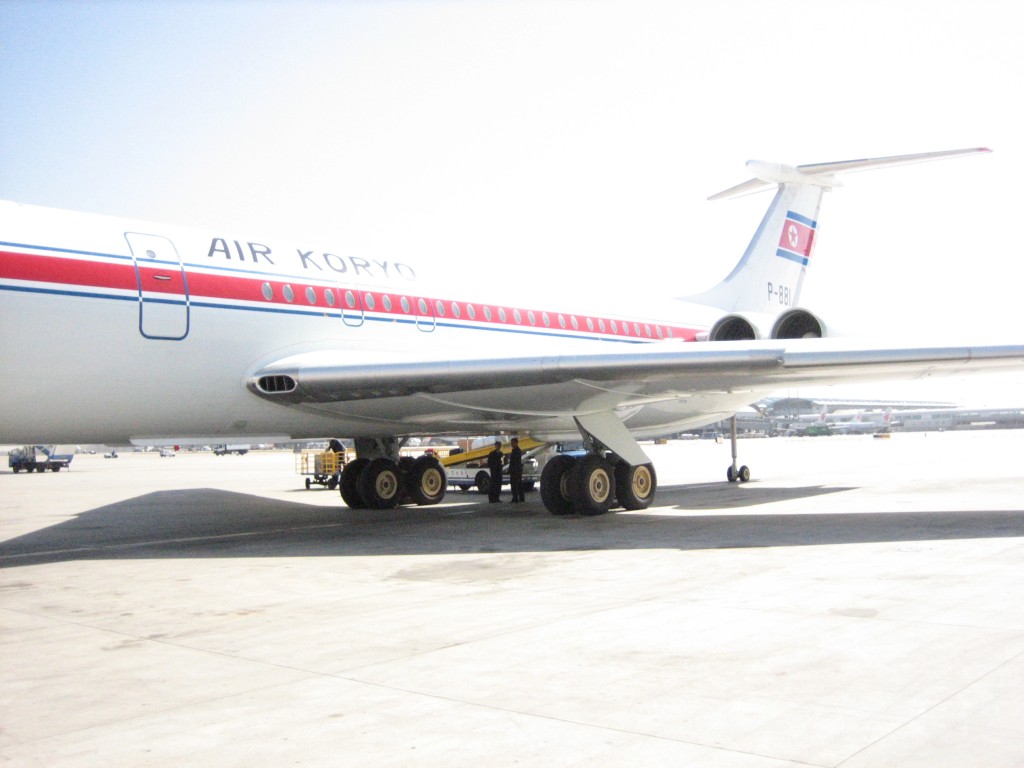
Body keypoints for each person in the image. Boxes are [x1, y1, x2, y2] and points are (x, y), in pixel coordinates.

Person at [508, 437, 524, 503]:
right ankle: (520, 498)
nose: (511, 444)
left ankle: (515, 498)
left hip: (515, 470)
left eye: (512, 443)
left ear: (516, 443)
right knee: (518, 484)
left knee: (515, 485)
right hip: (517, 470)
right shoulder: (516, 450)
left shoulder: (516, 451)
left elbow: (514, 461)